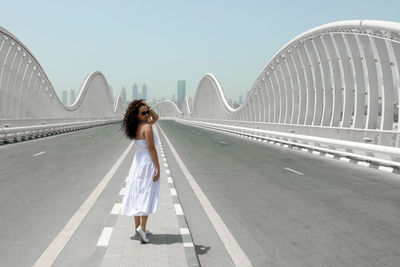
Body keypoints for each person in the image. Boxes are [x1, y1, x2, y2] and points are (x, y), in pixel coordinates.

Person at [120, 99, 160, 243]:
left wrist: (147, 108)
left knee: (137, 194)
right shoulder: (147, 128)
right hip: (147, 163)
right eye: (143, 113)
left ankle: (138, 228)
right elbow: (151, 149)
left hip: (137, 164)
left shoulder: (136, 127)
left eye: (147, 111)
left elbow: (156, 118)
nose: (147, 114)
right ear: (137, 115)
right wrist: (157, 167)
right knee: (146, 195)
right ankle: (142, 229)